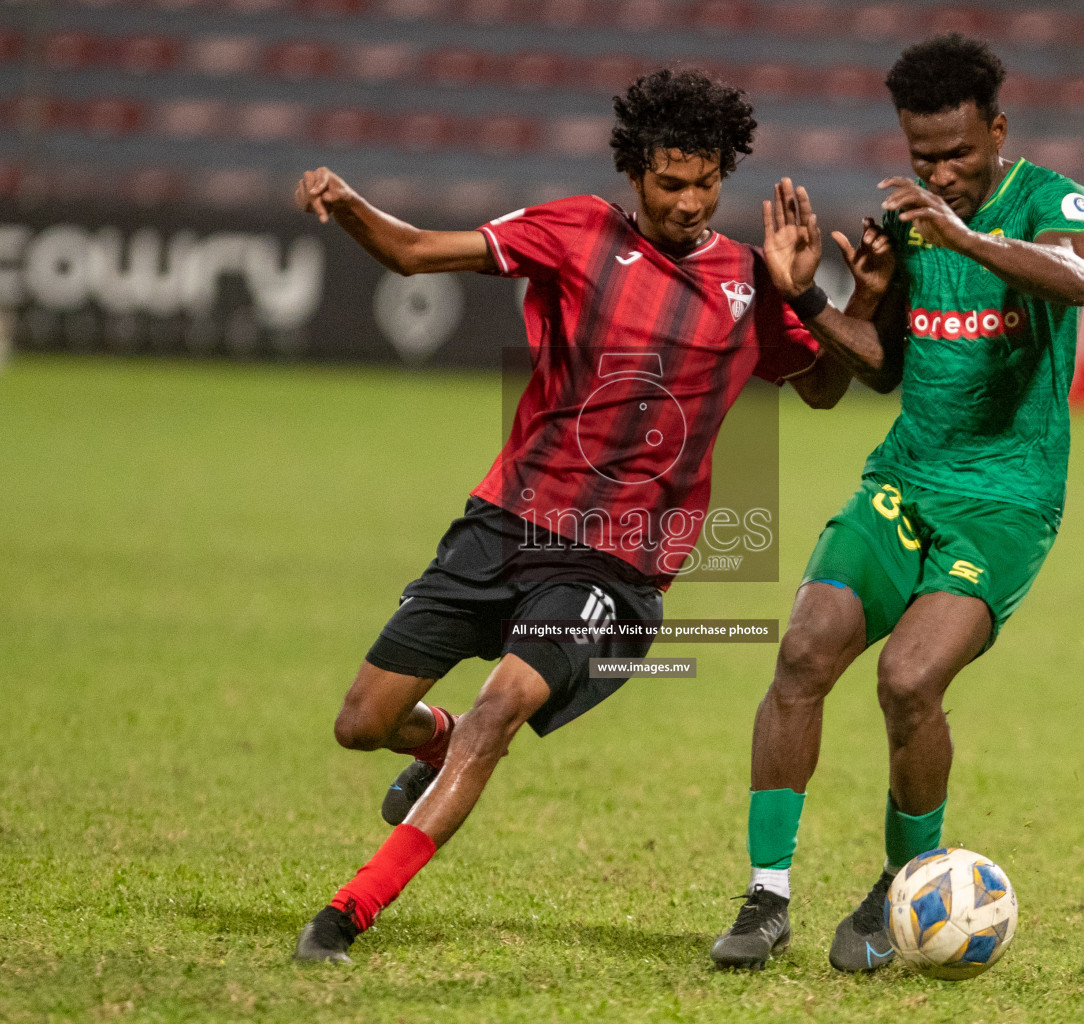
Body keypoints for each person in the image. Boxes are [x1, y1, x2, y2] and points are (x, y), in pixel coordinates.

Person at [289, 68, 851, 962]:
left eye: (707, 183)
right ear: (636, 173)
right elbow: (414, 253)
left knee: (498, 708)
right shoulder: (575, 229)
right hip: (505, 520)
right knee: (362, 722)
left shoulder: (750, 281)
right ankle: (437, 744)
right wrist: (350, 202)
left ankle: (347, 912)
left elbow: (824, 388)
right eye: (672, 183)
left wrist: (802, 293)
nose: (691, 202)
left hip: (614, 561)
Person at [709, 34, 1084, 971]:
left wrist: (964, 235)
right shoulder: (910, 221)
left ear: (996, 130)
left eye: (959, 153)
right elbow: (881, 364)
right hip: (903, 481)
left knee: (910, 681)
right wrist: (807, 301)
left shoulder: (1050, 200)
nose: (941, 173)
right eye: (923, 156)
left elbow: (1078, 277)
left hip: (1004, 503)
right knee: (803, 651)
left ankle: (905, 889)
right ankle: (767, 898)